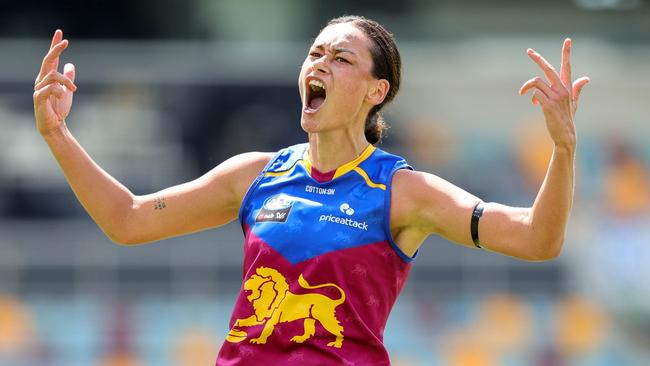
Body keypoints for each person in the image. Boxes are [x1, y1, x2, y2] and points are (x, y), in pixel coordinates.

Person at [33, 15, 589, 366]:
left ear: (378, 90)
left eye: (340, 57)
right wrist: (57, 133)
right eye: (315, 53)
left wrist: (563, 150)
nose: (319, 63)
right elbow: (128, 219)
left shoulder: (404, 191)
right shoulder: (255, 174)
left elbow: (537, 240)